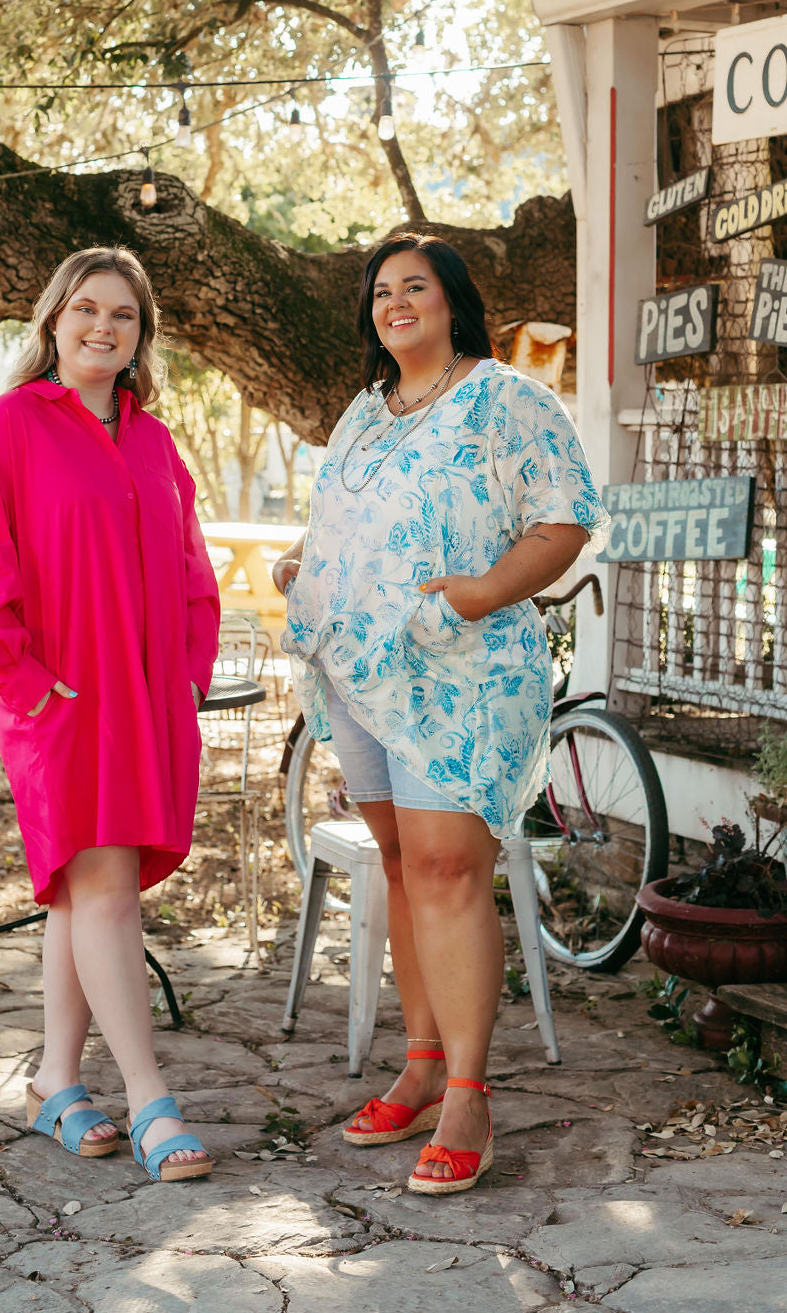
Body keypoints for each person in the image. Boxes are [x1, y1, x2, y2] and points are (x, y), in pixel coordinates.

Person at [275, 232, 608, 1196]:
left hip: (466, 673)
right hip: (365, 675)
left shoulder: (507, 398)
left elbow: (565, 517)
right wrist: (307, 566)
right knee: (397, 864)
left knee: (446, 866)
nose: (395, 303)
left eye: (414, 286)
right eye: (382, 292)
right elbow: (336, 521)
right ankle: (420, 1066)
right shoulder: (362, 415)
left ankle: (468, 1093)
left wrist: (476, 593)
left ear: (453, 301)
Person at [0, 246, 220, 1182]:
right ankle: (148, 1096)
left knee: (86, 885)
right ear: (53, 320)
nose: (104, 327)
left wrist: (186, 671)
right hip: (57, 698)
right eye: (87, 309)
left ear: (142, 338)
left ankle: (55, 1081)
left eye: (124, 316)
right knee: (100, 882)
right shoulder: (5, 432)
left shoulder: (154, 441)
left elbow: (189, 571)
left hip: (145, 697)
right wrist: (23, 680)